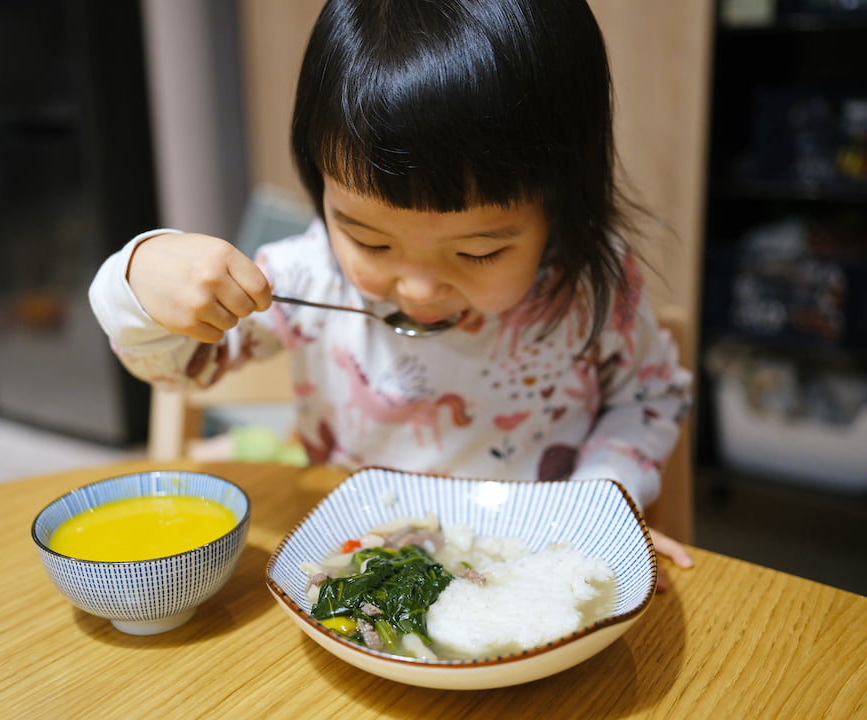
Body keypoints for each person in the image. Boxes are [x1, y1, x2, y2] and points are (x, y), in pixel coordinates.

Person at [89, 0, 694, 583]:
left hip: (530, 568)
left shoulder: (590, 287)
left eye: (478, 252)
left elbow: (650, 396)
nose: (418, 288)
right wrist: (136, 283)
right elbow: (182, 370)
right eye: (371, 242)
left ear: (562, 202)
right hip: (360, 575)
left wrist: (601, 499)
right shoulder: (304, 279)